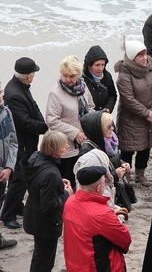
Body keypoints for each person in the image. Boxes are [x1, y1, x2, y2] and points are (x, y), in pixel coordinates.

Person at [1, 57, 48, 230]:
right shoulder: (14, 94)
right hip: (21, 143)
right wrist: (43, 128)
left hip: (26, 142)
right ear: (28, 75)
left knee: (22, 178)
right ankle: (7, 215)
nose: (34, 75)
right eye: (33, 73)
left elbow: (34, 107)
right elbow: (24, 122)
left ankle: (16, 206)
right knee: (19, 179)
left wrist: (42, 124)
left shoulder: (20, 87)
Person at [21, 130, 74, 272]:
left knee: (39, 255)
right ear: (54, 149)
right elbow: (49, 206)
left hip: (34, 216)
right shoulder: (50, 173)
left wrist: (57, 184)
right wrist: (66, 193)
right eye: (64, 146)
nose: (67, 147)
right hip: (46, 224)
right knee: (44, 260)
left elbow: (39, 184)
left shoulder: (35, 158)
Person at [63, 165, 132, 271]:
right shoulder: (102, 214)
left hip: (76, 263)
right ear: (99, 188)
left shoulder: (70, 202)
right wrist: (113, 218)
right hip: (98, 266)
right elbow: (125, 240)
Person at [114, 39, 152, 187]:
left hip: (150, 116)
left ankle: (140, 174)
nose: (144, 58)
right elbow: (128, 99)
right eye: (140, 55)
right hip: (131, 119)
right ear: (132, 57)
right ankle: (126, 176)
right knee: (128, 149)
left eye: (145, 54)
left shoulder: (151, 66)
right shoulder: (124, 74)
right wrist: (146, 113)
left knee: (145, 146)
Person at [46, 55, 95, 185]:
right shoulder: (56, 94)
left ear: (78, 75)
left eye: (71, 76)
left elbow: (90, 107)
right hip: (65, 148)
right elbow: (52, 121)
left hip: (83, 142)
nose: (67, 79)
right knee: (67, 181)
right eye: (64, 75)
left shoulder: (83, 88)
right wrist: (75, 133)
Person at [78, 111, 131, 211]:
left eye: (112, 125)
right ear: (98, 130)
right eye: (108, 127)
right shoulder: (88, 151)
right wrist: (114, 174)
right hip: (101, 193)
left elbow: (113, 159)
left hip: (112, 189)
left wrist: (123, 163)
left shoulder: (110, 141)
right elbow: (89, 180)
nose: (112, 129)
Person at [0, 80, 17, 235]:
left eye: (0, 92)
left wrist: (9, 167)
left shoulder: (6, 112)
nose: (0, 96)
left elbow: (13, 141)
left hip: (4, 171)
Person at [82, 45, 117, 113]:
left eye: (103, 65)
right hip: (88, 118)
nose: (100, 69)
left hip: (105, 116)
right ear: (89, 66)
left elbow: (112, 95)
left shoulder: (107, 76)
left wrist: (108, 108)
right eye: (97, 65)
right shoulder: (82, 80)